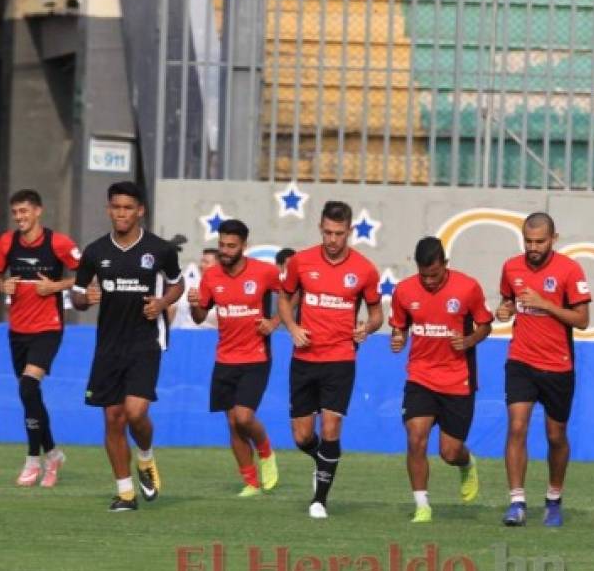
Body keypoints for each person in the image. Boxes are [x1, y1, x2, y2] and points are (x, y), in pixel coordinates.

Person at [72, 181, 184, 511]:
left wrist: (161, 303)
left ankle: (146, 458)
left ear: (140, 211)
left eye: (127, 208)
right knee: (112, 419)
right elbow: (77, 294)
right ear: (109, 209)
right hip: (108, 346)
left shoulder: (160, 250)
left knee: (135, 413)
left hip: (145, 341)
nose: (121, 213)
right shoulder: (94, 252)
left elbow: (178, 286)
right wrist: (84, 298)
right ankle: (125, 493)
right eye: (116, 207)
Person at [278, 201, 383, 519]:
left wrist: (368, 327)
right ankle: (323, 460)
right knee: (302, 436)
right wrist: (293, 326)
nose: (332, 239)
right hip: (305, 358)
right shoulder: (300, 262)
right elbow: (284, 299)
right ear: (320, 229)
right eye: (327, 232)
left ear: (350, 231)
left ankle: (319, 500)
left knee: (332, 424)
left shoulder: (364, 269)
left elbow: (377, 314)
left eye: (339, 233)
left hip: (340, 357)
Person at [495, 212, 591, 527]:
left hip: (558, 364)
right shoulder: (511, 267)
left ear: (554, 239)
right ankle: (517, 502)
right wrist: (505, 309)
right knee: (517, 426)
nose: (533, 247)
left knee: (555, 435)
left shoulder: (570, 270)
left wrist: (545, 304)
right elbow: (509, 302)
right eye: (528, 241)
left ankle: (553, 497)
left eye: (540, 241)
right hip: (521, 360)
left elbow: (582, 319)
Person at [390, 236, 493, 523]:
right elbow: (400, 326)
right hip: (420, 376)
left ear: (445, 265)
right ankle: (422, 506)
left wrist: (470, 339)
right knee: (416, 438)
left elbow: (485, 325)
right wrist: (398, 339)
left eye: (435, 275)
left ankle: (467, 463)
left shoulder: (467, 287)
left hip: (457, 379)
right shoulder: (404, 290)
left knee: (449, 452)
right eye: (424, 275)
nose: (430, 281)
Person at [188, 220, 282, 497]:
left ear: (244, 246)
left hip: (256, 356)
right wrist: (195, 304)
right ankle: (250, 482)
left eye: (231, 246)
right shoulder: (211, 277)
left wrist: (274, 321)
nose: (225, 251)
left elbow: (293, 294)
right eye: (222, 245)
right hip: (224, 358)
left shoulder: (264, 272)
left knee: (243, 417)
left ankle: (265, 451)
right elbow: (200, 317)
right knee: (232, 423)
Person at [0, 189, 80, 487]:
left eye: (24, 211)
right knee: (29, 394)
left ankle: (33, 459)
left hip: (48, 328)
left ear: (38, 211)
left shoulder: (58, 242)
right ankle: (54, 454)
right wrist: (3, 284)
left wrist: (57, 286)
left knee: (29, 386)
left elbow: (87, 274)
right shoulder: (6, 242)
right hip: (17, 330)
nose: (20, 217)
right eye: (16, 212)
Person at [169, 248, 218, 329]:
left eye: (206, 262)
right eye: (202, 261)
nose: (202, 265)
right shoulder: (189, 284)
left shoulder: (224, 289)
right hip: (183, 334)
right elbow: (172, 307)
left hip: (210, 336)